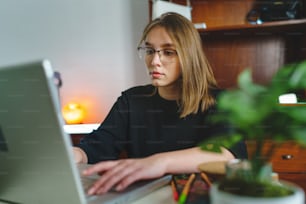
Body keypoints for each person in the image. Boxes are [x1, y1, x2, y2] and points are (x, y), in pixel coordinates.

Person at [73, 12, 247, 195]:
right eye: (149, 51)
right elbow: (95, 147)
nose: (155, 61)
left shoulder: (221, 101)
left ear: (189, 56)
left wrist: (158, 162)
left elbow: (226, 153)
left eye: (168, 52)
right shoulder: (131, 100)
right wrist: (72, 154)